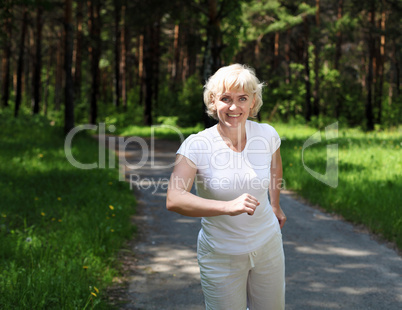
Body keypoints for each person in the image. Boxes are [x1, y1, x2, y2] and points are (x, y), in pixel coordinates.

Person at [166, 63, 286, 310]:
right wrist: (228, 206)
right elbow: (175, 198)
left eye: (242, 98)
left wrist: (275, 204)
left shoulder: (267, 135)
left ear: (253, 102)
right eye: (225, 99)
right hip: (221, 254)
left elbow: (275, 166)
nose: (234, 107)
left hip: (268, 247)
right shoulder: (196, 145)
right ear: (213, 102)